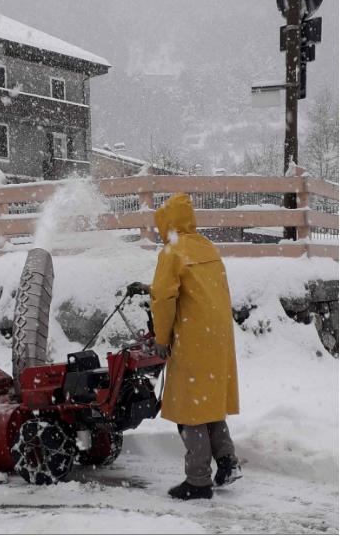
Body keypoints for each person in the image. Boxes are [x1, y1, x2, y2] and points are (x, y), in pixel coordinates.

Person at [129, 193, 241, 500]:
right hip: (217, 338)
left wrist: (161, 340)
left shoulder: (171, 252)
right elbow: (193, 288)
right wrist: (148, 287)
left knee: (190, 410)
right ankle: (228, 462)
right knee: (207, 401)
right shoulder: (206, 246)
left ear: (167, 223)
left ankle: (198, 481)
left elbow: (165, 300)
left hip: (192, 338)